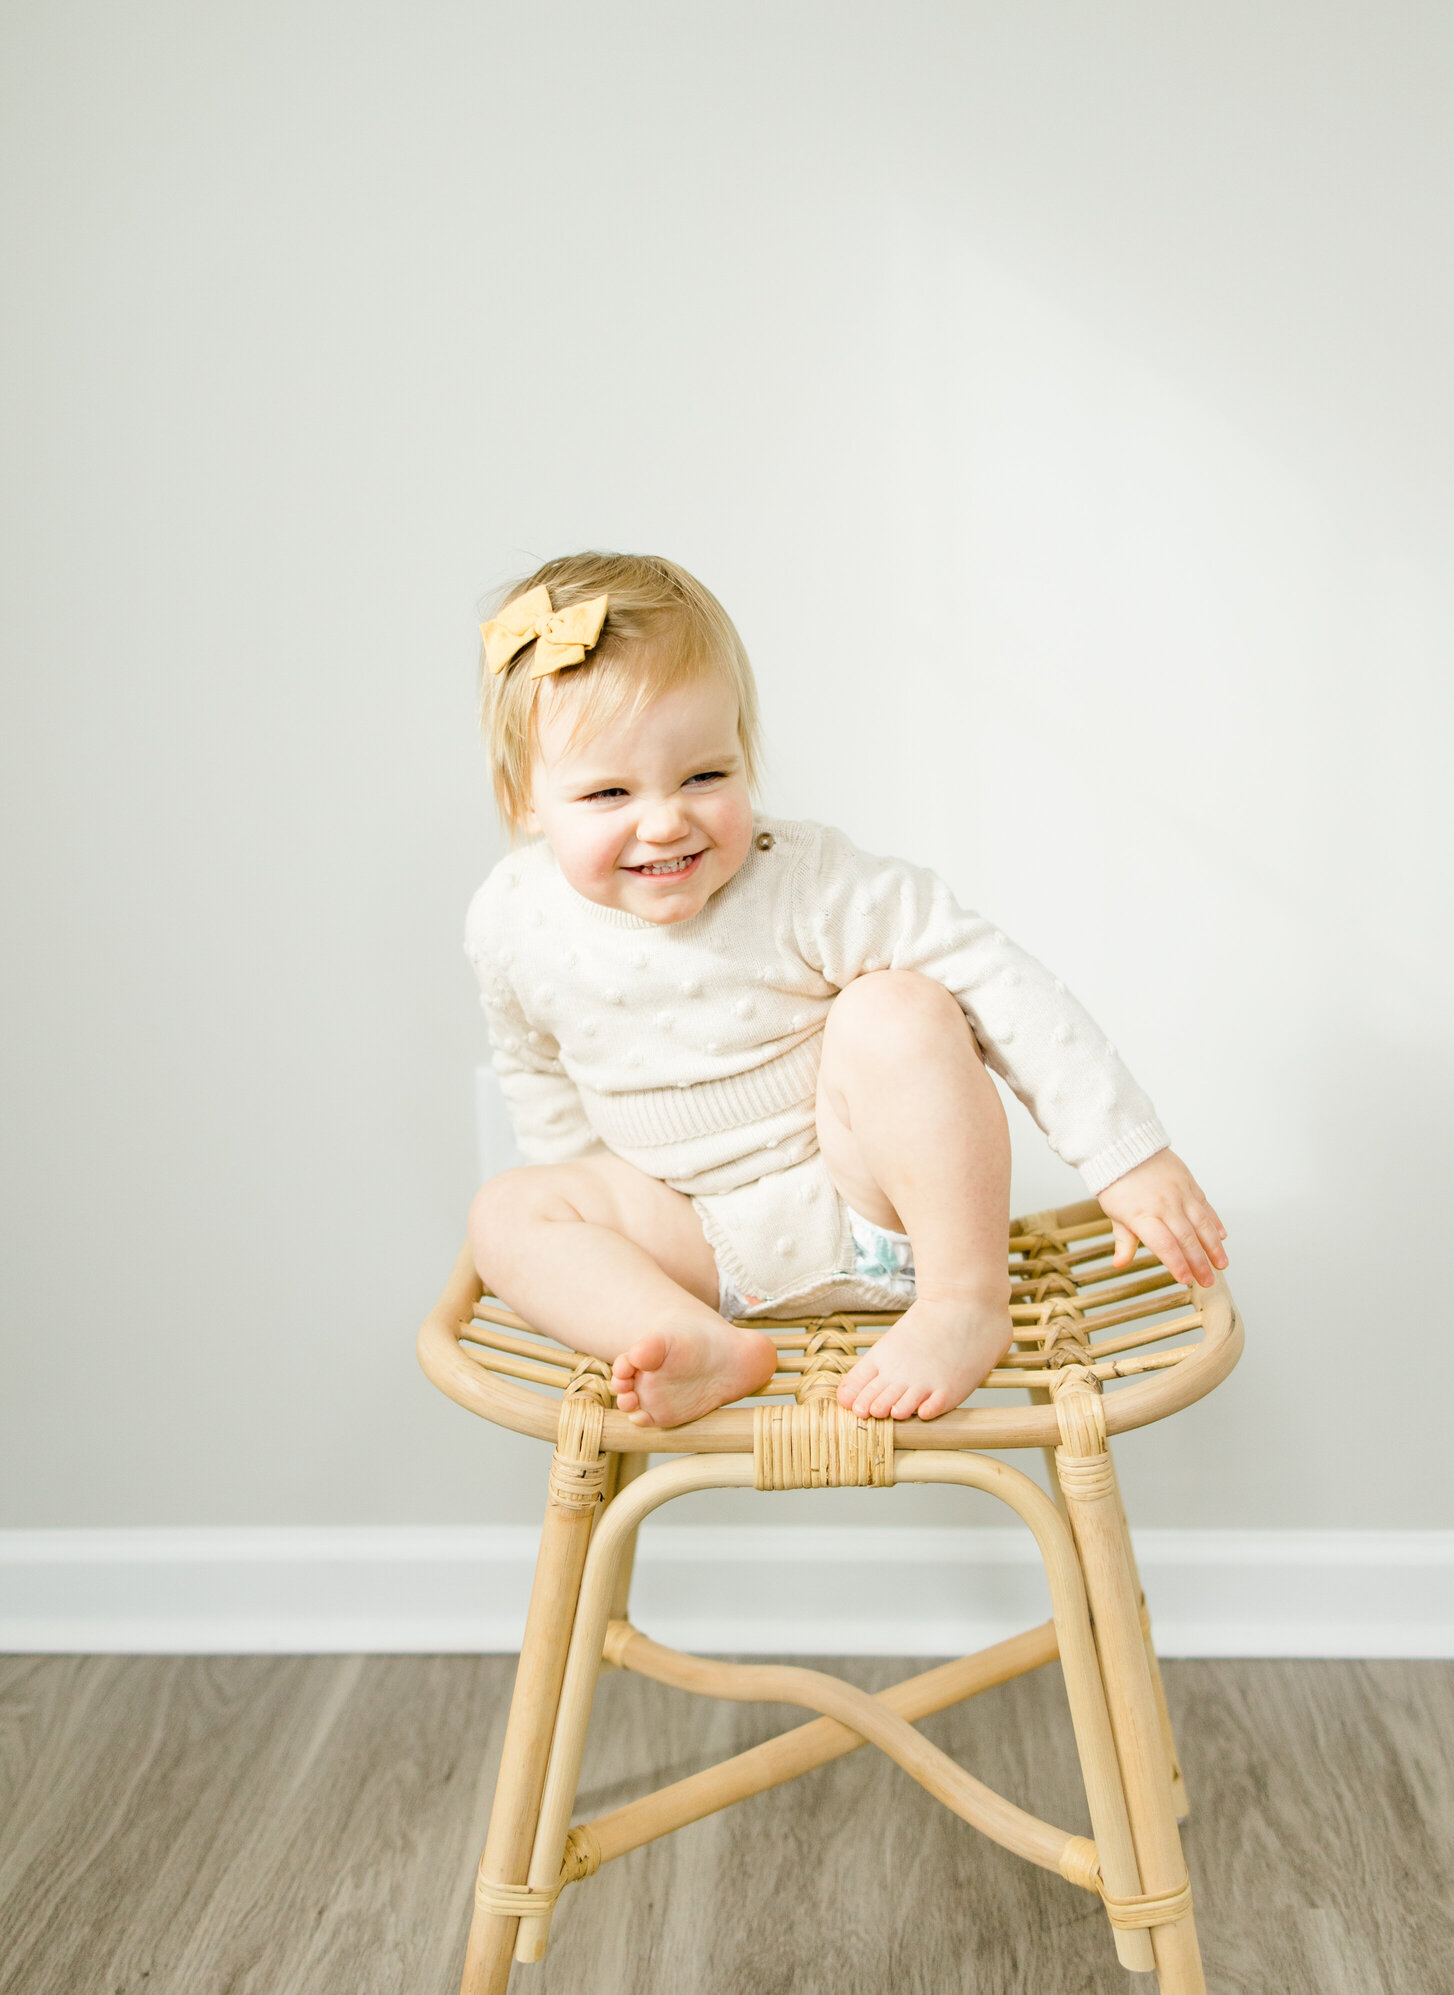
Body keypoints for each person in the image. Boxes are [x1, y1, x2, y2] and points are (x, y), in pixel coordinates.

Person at [465, 553, 1227, 1433]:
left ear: (743, 754)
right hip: (691, 1243)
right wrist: (590, 1232)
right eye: (608, 792)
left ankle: (961, 1303)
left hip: (867, 1205)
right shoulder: (511, 920)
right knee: (511, 1210)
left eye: (705, 777)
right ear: (524, 799)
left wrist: (1125, 1156)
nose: (666, 819)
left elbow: (999, 975)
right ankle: (683, 1336)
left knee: (898, 1006)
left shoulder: (807, 882)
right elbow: (533, 1068)